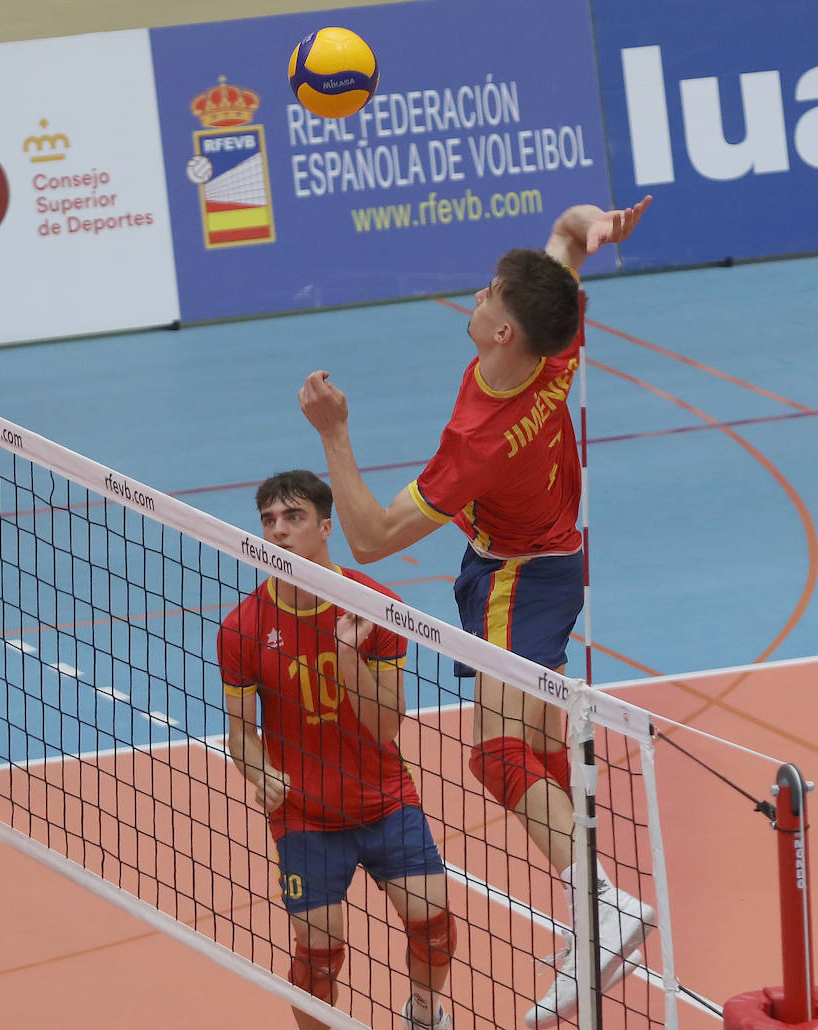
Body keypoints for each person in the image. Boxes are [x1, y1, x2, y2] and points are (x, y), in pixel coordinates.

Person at [298, 198, 654, 1026]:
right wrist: (590, 228)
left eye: (491, 294)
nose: (481, 296)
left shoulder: (481, 441)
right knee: (534, 748)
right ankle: (589, 913)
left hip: (516, 577)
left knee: (497, 757)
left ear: (503, 334)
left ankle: (602, 905)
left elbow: (371, 537)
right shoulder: (557, 348)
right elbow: (563, 242)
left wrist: (335, 434)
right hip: (557, 557)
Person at [219, 470, 457, 1030]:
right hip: (304, 816)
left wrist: (349, 659)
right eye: (269, 521)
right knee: (319, 957)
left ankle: (424, 1014)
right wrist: (260, 772)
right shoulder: (243, 628)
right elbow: (240, 734)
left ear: (326, 527)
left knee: (435, 927)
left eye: (293, 518)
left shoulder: (375, 605)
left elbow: (385, 726)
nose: (279, 531)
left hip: (384, 801)